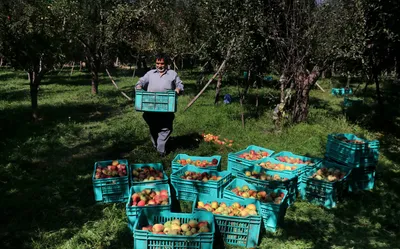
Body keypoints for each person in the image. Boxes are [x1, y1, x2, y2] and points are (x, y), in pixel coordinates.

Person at [135, 54, 184, 157]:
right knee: (153, 128)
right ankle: (156, 146)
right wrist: (139, 85)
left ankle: (160, 152)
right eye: (158, 63)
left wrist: (178, 89)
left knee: (166, 128)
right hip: (150, 107)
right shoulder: (150, 74)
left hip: (166, 107)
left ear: (166, 64)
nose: (159, 65)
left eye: (162, 63)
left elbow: (180, 84)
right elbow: (141, 81)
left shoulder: (172, 74)